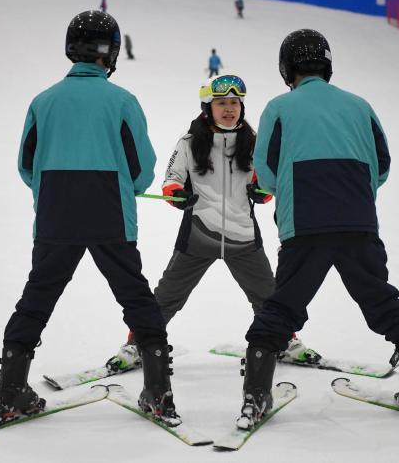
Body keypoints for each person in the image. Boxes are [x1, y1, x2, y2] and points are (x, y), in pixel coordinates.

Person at [235, 29, 399, 430]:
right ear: (327, 63)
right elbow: (382, 164)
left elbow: (265, 172)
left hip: (304, 227)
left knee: (282, 308)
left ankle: (256, 395)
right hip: (358, 224)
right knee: (382, 302)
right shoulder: (360, 106)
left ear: (287, 68)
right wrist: (353, 192)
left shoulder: (279, 107)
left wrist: (270, 186)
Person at [0, 10, 180, 428]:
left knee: (37, 297)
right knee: (135, 295)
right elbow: (142, 166)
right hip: (109, 212)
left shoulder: (43, 100)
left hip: (57, 213)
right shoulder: (123, 101)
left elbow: (26, 165)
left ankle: (11, 389)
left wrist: (53, 192)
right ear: (112, 54)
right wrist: (120, 186)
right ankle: (159, 391)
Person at [105, 74, 318, 375]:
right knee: (167, 296)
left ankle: (284, 340)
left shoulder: (256, 143)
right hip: (198, 235)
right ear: (208, 107)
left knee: (268, 295)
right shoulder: (190, 142)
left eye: (235, 103)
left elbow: (267, 182)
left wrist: (262, 192)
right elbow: (172, 179)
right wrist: (175, 194)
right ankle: (137, 342)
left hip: (242, 236)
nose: (229, 109)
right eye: (221, 103)